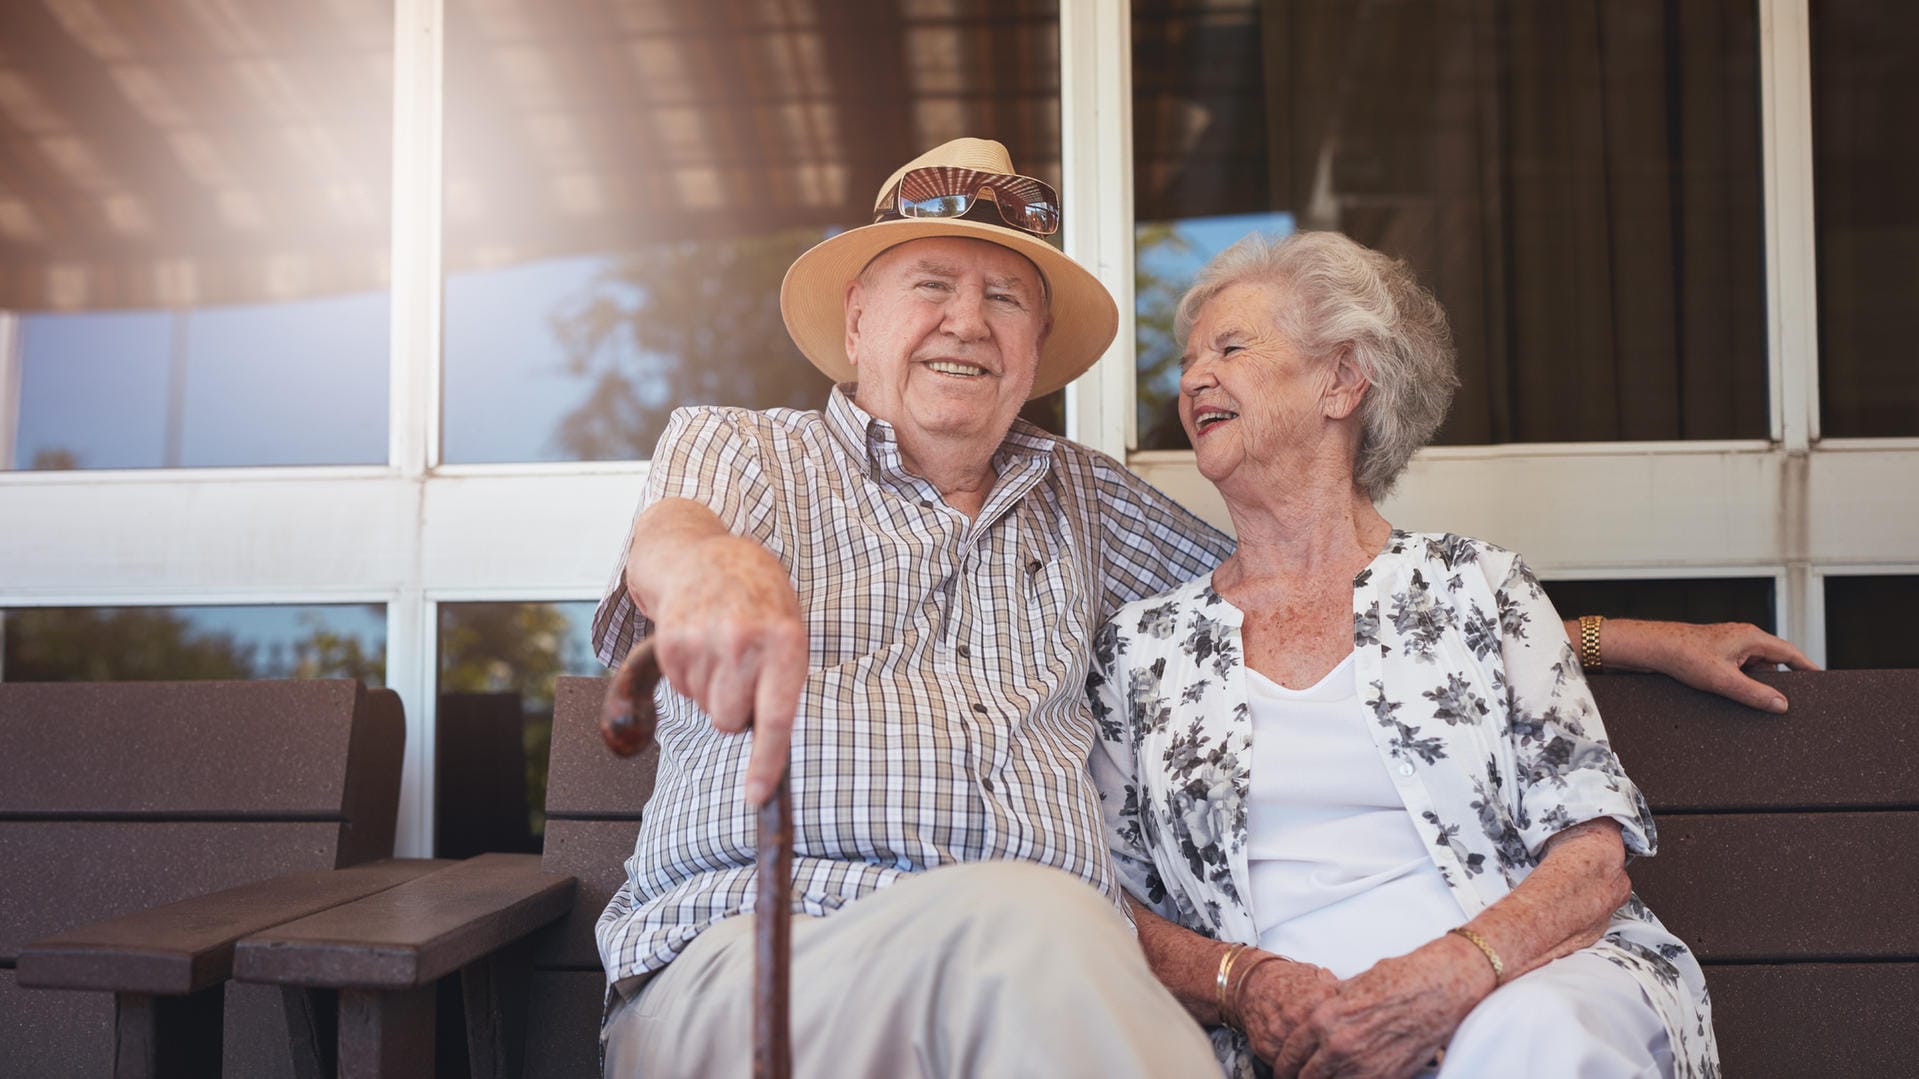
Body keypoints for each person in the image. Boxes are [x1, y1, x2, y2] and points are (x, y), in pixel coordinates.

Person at [589, 138, 1806, 1077]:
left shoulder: (1083, 508)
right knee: (1035, 921)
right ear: (855, 320)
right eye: (928, 284)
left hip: (1039, 998)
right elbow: (678, 538)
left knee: (1044, 938)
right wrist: (714, 577)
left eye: (1004, 299)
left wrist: (1631, 636)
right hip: (768, 958)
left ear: (1033, 354)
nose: (966, 320)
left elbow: (1324, 585)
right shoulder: (747, 454)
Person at [1087, 231, 1757, 1079]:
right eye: (1187, 360)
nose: (1192, 379)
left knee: (1528, 1040)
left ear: (1341, 381)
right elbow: (1113, 900)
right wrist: (1239, 981)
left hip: (1516, 984)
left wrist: (1453, 976)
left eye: (1230, 347)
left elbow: (1591, 865)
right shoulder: (1145, 646)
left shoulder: (1477, 586)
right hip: (1277, 1037)